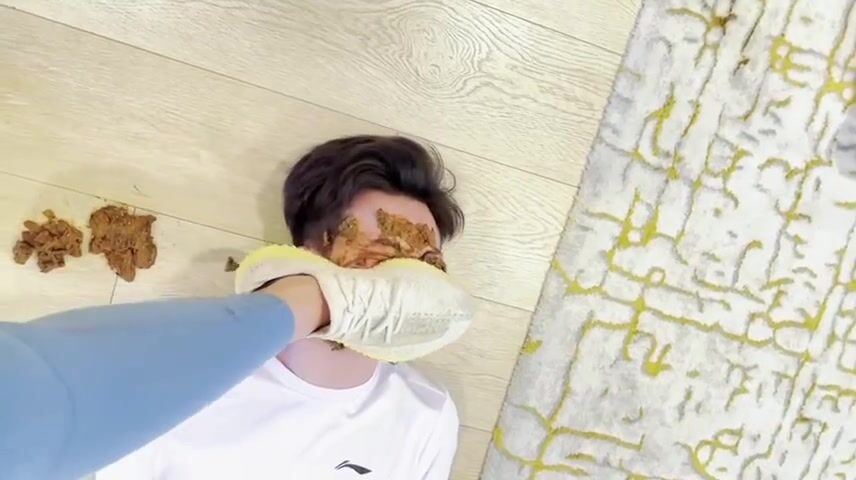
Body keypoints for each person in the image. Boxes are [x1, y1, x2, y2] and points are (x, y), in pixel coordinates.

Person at [93, 136, 469, 479]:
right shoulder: (175, 382)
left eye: (428, 269)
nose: (408, 289)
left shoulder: (426, 416)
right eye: (384, 257)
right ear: (307, 256)